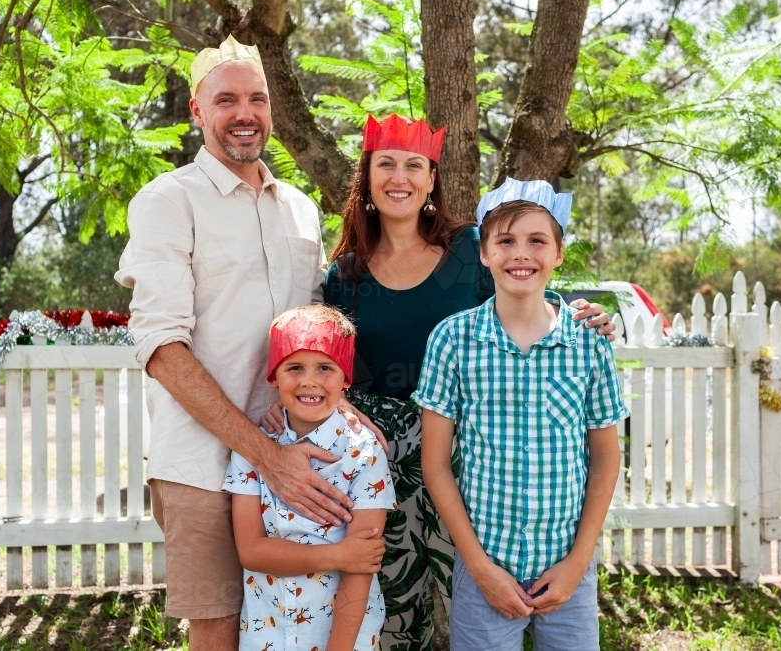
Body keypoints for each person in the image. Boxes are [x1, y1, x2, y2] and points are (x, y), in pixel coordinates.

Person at [115, 37, 383, 651]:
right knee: (220, 626)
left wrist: (338, 410)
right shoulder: (166, 201)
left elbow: (315, 327)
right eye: (226, 99)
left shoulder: (299, 210)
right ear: (197, 111)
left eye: (257, 99)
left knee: (305, 618)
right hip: (204, 463)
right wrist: (264, 453)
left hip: (303, 458)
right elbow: (160, 347)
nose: (245, 112)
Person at [312, 114, 616, 650]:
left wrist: (585, 313)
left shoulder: (466, 250)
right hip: (382, 460)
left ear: (431, 179)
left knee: (476, 601)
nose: (399, 177)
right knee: (396, 606)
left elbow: (523, 296)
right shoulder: (347, 274)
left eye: (413, 165)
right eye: (385, 164)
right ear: (367, 176)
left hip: (471, 461)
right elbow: (331, 371)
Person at [415, 179, 630, 651]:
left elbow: (606, 459)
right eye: (506, 241)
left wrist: (577, 562)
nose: (521, 254)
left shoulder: (588, 342)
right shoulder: (453, 341)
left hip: (568, 568)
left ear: (558, 254)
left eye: (537, 241)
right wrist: (479, 567)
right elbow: (434, 465)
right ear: (485, 254)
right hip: (485, 568)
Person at [226, 305, 397, 651]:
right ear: (273, 376)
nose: (309, 380)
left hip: (346, 637)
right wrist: (338, 555)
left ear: (346, 378)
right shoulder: (252, 450)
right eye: (294, 367)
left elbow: (360, 565)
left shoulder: (364, 453)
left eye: (324, 367)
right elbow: (251, 550)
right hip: (267, 632)